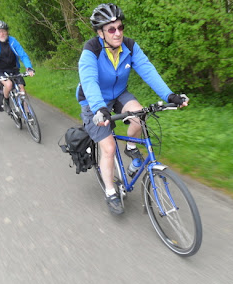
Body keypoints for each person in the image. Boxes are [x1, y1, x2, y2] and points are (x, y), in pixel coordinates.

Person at [77, 3, 189, 215]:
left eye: (120, 27)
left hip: (119, 94)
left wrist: (169, 95)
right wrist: (100, 108)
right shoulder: (91, 51)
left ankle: (130, 148)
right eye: (111, 29)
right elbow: (89, 81)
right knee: (109, 147)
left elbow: (148, 70)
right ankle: (110, 191)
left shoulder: (129, 46)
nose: (118, 33)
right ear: (100, 32)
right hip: (95, 102)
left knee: (140, 117)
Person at [0, 20, 35, 114]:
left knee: (21, 88)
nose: (2, 33)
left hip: (13, 68)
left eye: (4, 31)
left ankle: (28, 114)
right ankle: (6, 101)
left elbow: (23, 55)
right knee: (9, 85)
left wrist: (29, 67)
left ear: (7, 31)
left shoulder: (12, 40)